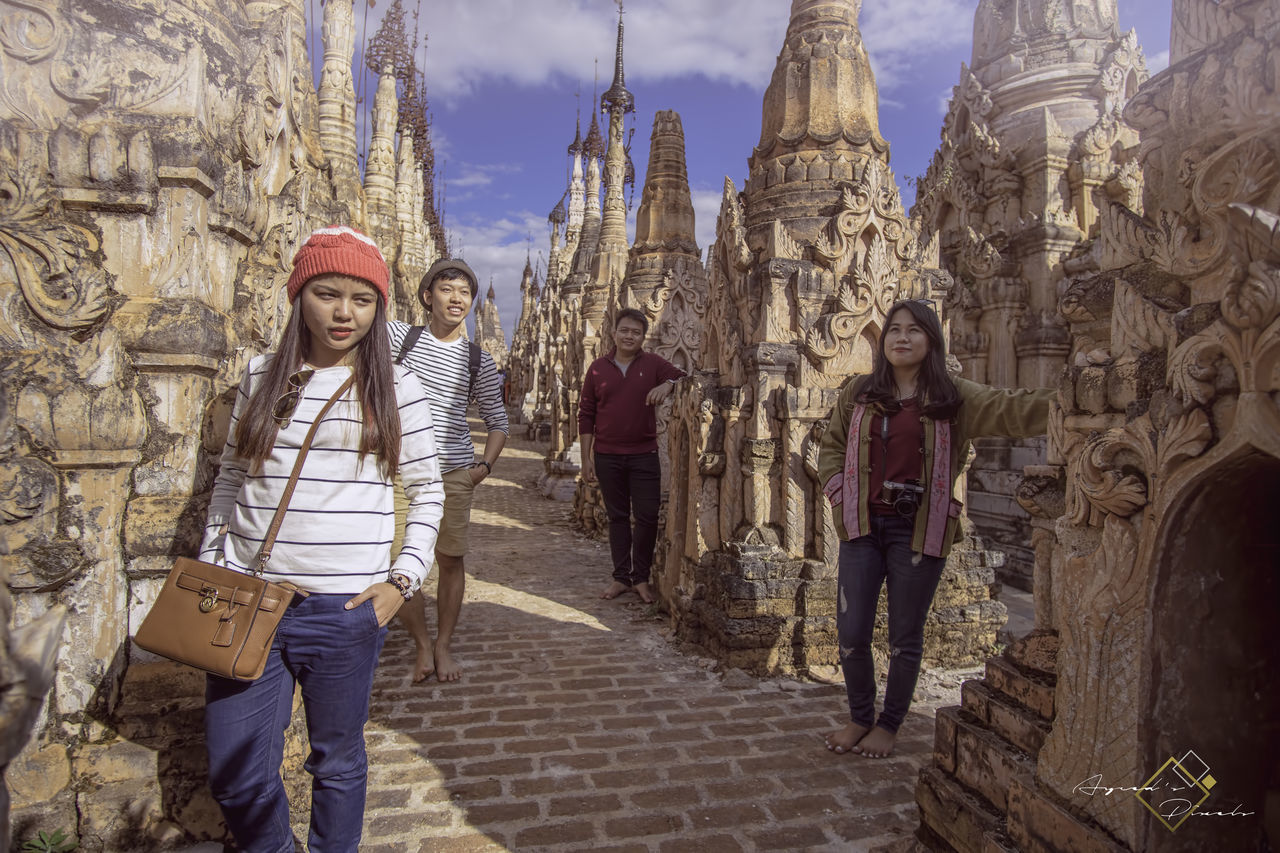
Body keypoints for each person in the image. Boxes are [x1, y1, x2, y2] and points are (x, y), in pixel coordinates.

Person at [198, 225, 444, 851]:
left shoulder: (396, 388)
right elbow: (231, 474)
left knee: (335, 763)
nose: (343, 313)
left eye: (362, 300)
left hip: (344, 609)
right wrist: (215, 558)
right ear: (299, 295)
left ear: (379, 308)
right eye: (327, 293)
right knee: (238, 775)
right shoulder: (262, 375)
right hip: (250, 599)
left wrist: (402, 580)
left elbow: (427, 490)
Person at [816, 299, 1053, 759]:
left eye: (914, 330)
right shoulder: (859, 393)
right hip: (862, 528)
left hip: (918, 531)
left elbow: (1012, 409)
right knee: (851, 631)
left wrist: (1075, 394)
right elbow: (832, 445)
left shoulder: (952, 397)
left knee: (905, 635)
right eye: (894, 330)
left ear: (931, 341)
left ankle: (889, 724)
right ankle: (860, 715)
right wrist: (838, 491)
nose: (901, 338)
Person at [388, 257, 508, 683]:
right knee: (400, 564)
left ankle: (443, 644)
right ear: (427, 297)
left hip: (454, 471)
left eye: (464, 293)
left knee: (450, 559)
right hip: (399, 471)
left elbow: (498, 421)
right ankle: (421, 643)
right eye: (446, 289)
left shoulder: (479, 360)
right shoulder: (398, 338)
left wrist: (483, 467)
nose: (456, 299)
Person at [578, 308, 685, 603]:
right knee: (618, 517)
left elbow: (686, 376)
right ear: (615, 334)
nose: (629, 336)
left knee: (648, 516)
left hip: (643, 454)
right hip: (607, 455)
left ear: (642, 337)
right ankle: (621, 577)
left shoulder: (652, 364)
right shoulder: (598, 368)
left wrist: (667, 384)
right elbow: (586, 414)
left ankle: (641, 578)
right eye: (624, 330)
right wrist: (586, 458)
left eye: (636, 332)